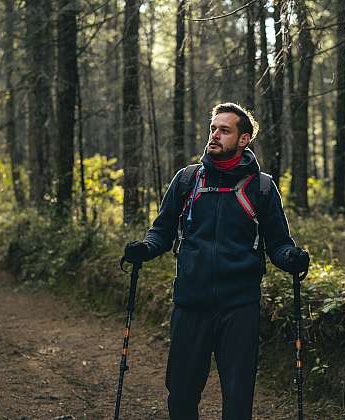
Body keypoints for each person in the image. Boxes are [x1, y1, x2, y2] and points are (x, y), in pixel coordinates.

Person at [122, 102, 310, 420]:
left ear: (243, 139)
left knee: (237, 399)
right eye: (213, 128)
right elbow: (162, 232)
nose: (215, 135)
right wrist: (145, 249)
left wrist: (291, 258)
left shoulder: (262, 187)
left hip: (240, 307)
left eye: (224, 130)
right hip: (190, 302)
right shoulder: (186, 181)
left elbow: (277, 244)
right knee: (180, 394)